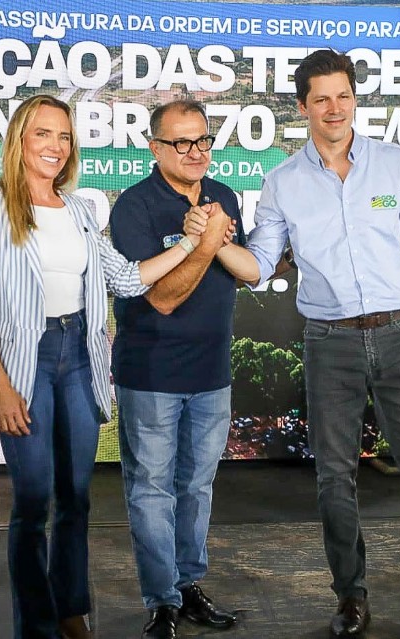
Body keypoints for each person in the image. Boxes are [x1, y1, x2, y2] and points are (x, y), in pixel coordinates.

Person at [186, 49, 400, 639]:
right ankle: (351, 597)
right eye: (322, 99)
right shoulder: (282, 182)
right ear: (302, 106)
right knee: (335, 478)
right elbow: (259, 266)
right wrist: (213, 242)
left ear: (355, 98)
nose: (335, 108)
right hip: (329, 343)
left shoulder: (396, 165)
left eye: (343, 96)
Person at [0, 94, 221, 639]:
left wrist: (192, 244)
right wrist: (2, 386)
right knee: (33, 501)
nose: (55, 145)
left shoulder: (78, 210)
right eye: (42, 133)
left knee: (75, 498)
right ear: (19, 141)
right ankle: (36, 625)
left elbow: (124, 278)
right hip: (24, 361)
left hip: (78, 354)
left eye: (63, 136)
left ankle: (71, 610)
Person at [110, 100, 242, 639]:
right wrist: (204, 242)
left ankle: (189, 587)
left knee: (197, 488)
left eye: (203, 140)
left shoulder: (224, 196)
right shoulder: (134, 206)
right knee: (151, 490)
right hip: (152, 374)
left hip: (212, 372)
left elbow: (244, 266)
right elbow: (162, 298)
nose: (195, 152)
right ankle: (161, 600)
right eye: (181, 142)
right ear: (155, 147)